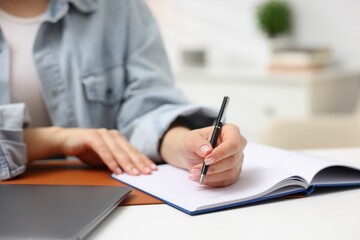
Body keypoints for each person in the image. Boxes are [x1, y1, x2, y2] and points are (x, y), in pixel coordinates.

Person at [0, 0, 247, 187]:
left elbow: (148, 105)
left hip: (101, 191)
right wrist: (59, 139)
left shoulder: (120, 7)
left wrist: (183, 145)